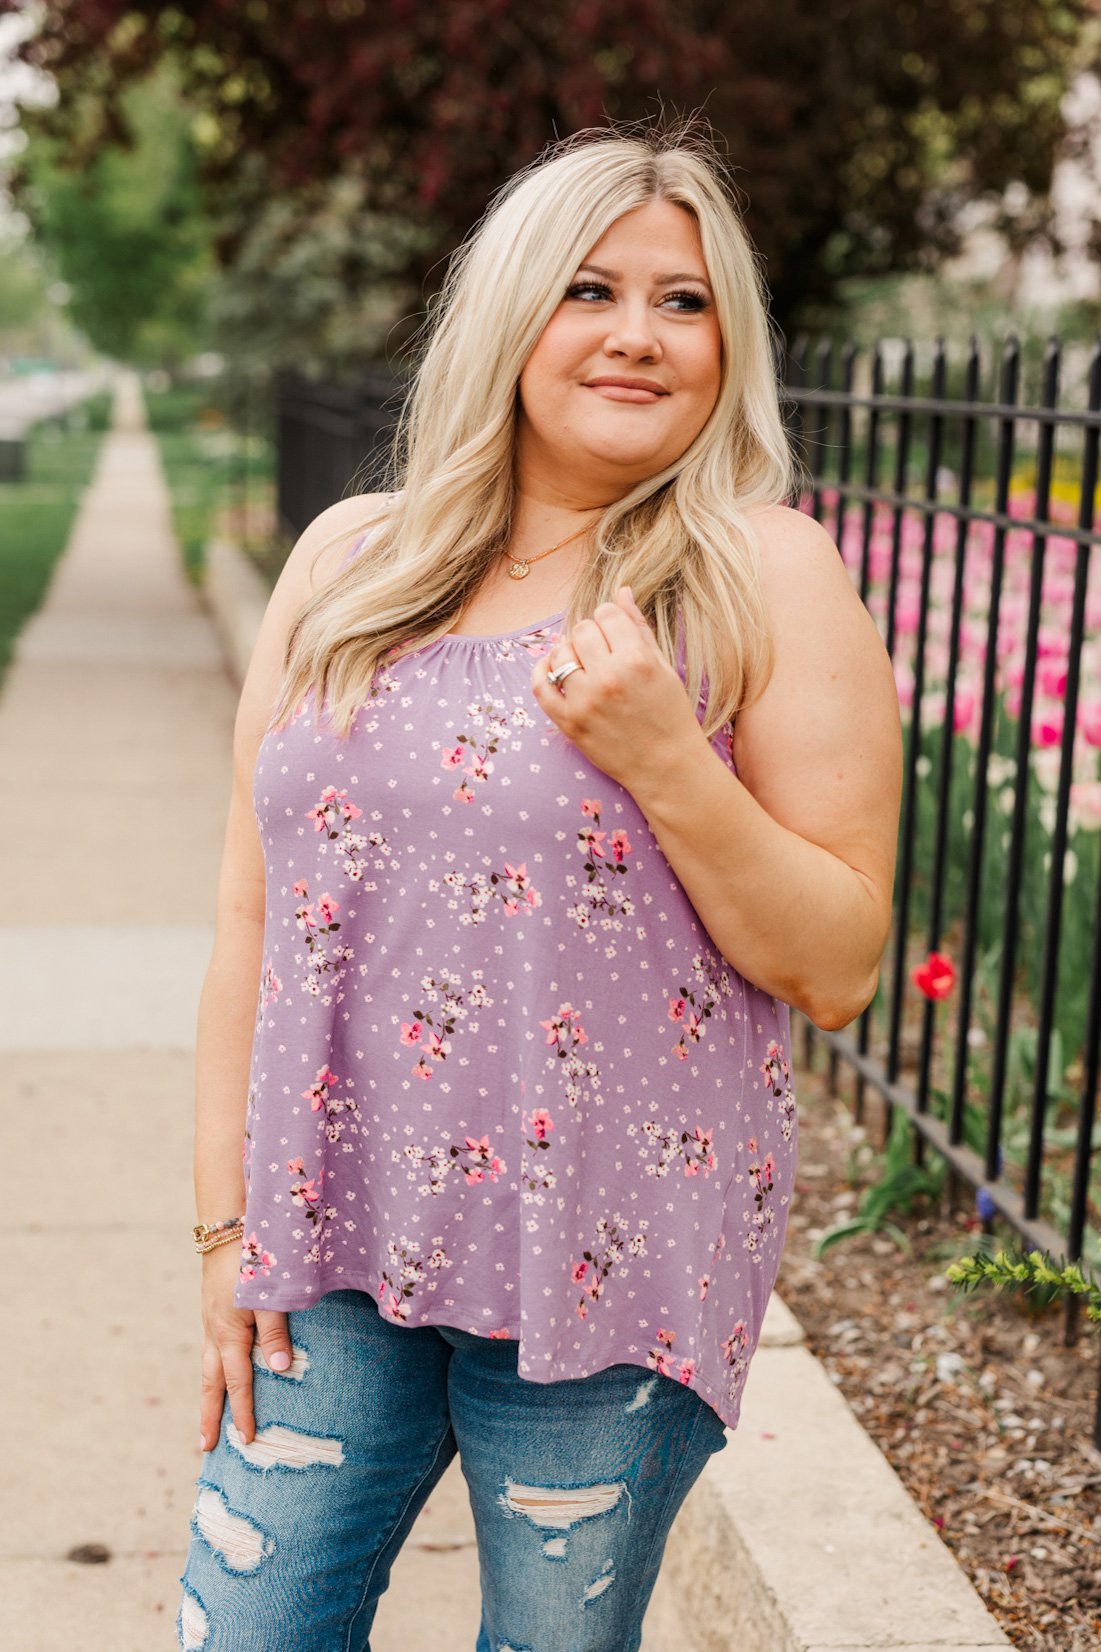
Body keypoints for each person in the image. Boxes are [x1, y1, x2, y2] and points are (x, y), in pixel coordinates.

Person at [177, 123, 902, 1652]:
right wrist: (221, 1228)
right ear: (511, 312)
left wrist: (665, 757)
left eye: (684, 302)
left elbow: (836, 960)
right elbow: (252, 915)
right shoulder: (347, 566)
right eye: (591, 288)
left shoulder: (760, 573)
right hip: (331, 1237)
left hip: (606, 1261)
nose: (638, 335)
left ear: (728, 342)